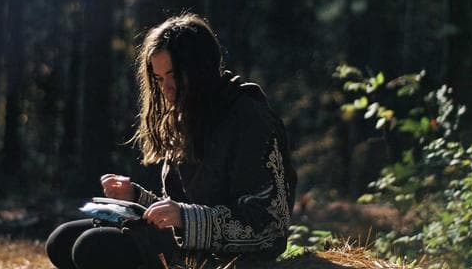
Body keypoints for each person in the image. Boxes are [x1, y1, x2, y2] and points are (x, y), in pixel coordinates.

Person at [46, 13, 297, 269]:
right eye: (159, 79)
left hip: (224, 260)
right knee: (61, 240)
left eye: (173, 75)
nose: (166, 88)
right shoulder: (187, 115)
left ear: (200, 69)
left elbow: (270, 228)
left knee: (92, 247)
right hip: (186, 248)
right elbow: (179, 210)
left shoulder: (249, 118)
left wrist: (186, 218)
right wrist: (137, 197)